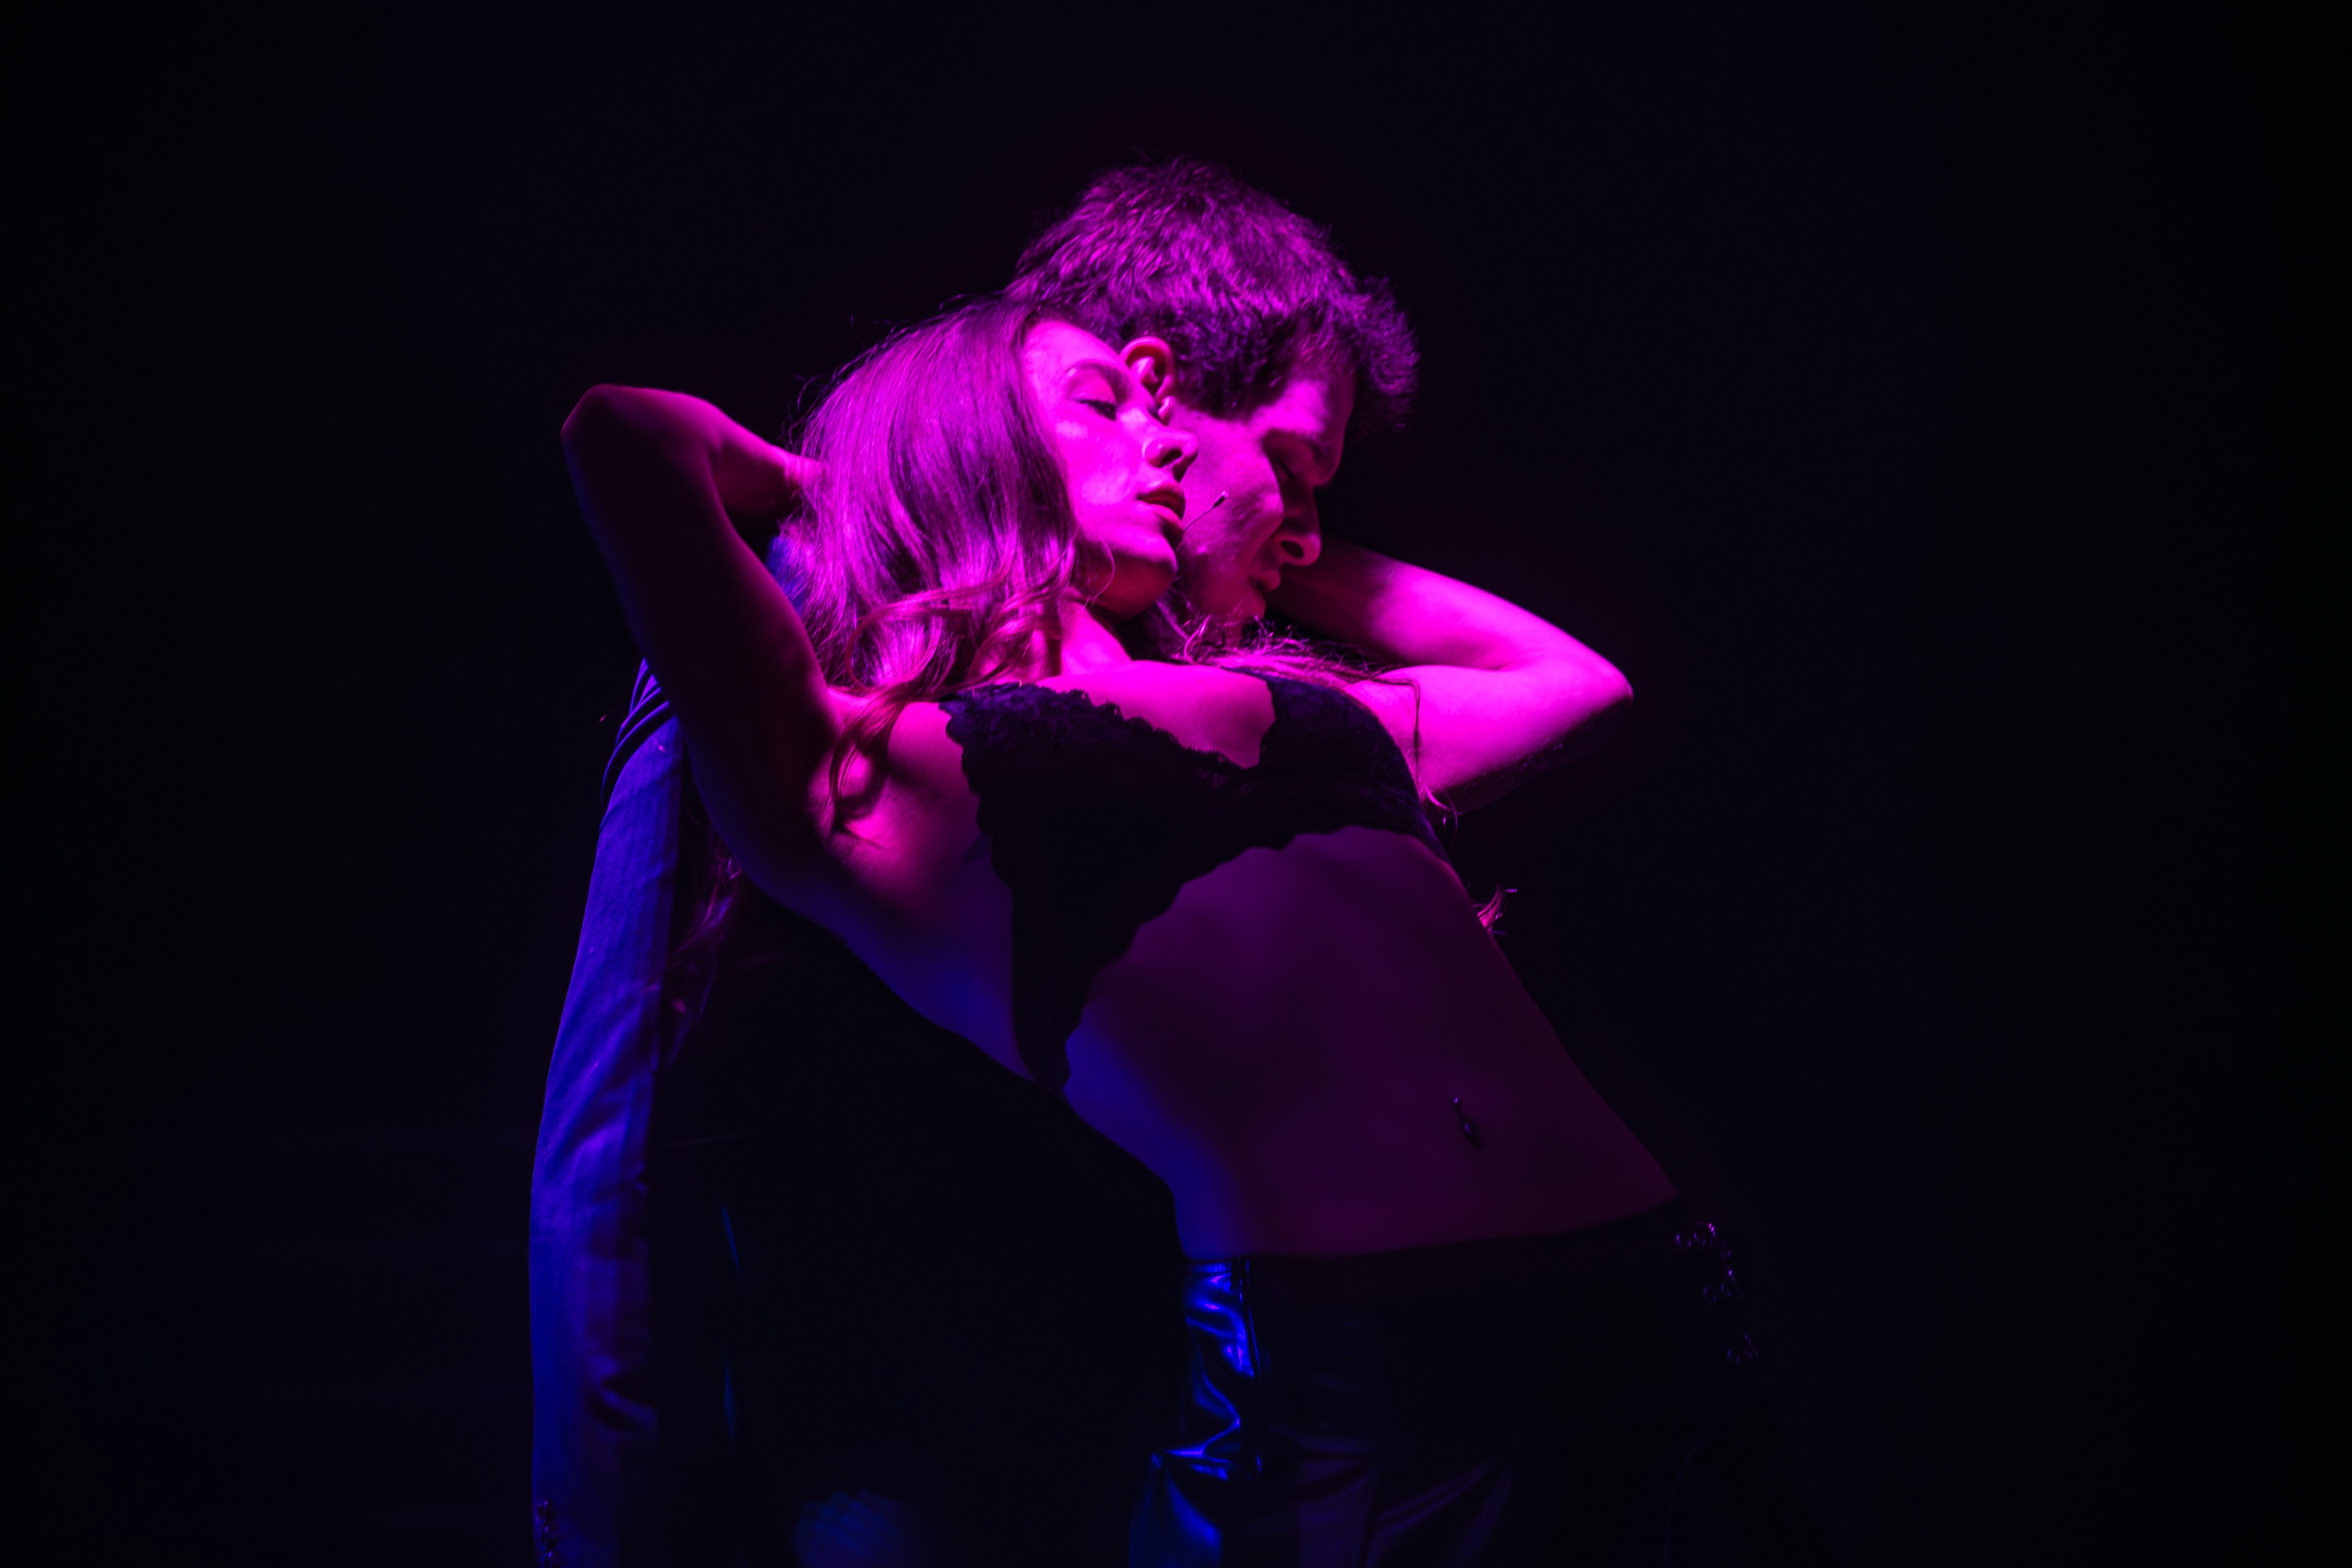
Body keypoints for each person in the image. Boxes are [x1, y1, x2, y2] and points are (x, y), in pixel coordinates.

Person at [561, 266, 1821, 1561]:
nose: (1160, 438)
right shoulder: (875, 774)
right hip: (1375, 1395)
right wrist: (865, 487)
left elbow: (1569, 679)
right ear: (972, 439)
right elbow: (626, 431)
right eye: (1098, 403)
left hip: (1664, 1315)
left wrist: (1280, 539)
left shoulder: (1301, 701)